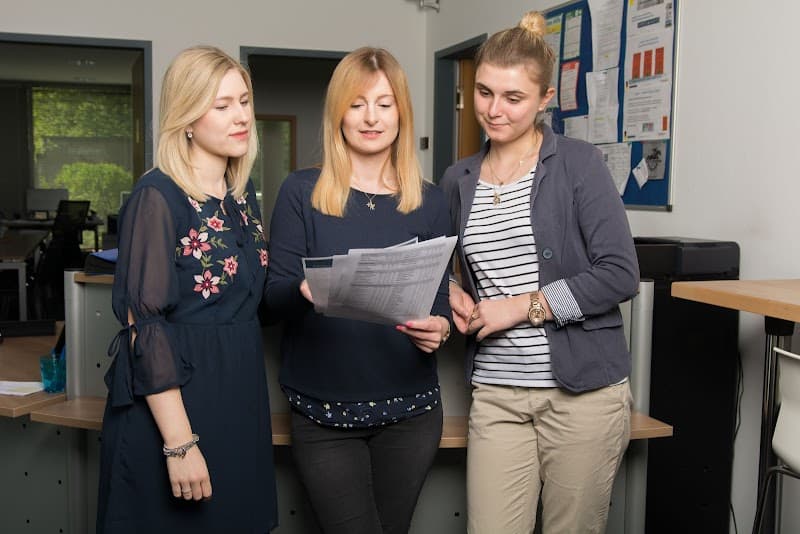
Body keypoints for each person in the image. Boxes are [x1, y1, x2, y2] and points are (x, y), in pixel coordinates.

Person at [440, 11, 640, 534]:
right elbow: (441, 265)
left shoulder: (580, 163)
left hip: (583, 394)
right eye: (484, 92)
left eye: (513, 98)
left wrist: (520, 307)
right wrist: (453, 291)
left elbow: (620, 274)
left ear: (545, 98)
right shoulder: (458, 178)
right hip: (496, 393)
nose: (494, 110)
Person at [265, 47, 452, 534]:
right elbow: (270, 302)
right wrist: (306, 289)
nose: (372, 118)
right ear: (339, 114)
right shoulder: (300, 192)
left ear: (401, 113)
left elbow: (436, 306)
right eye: (357, 104)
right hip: (323, 415)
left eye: (385, 104)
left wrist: (440, 329)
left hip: (411, 413)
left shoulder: (431, 202)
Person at [97, 46, 277, 533]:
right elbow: (145, 326)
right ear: (187, 118)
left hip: (238, 398)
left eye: (244, 101)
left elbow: (247, 299)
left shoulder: (242, 194)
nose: (241, 116)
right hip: (177, 410)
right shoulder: (157, 196)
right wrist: (180, 445)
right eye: (222, 105)